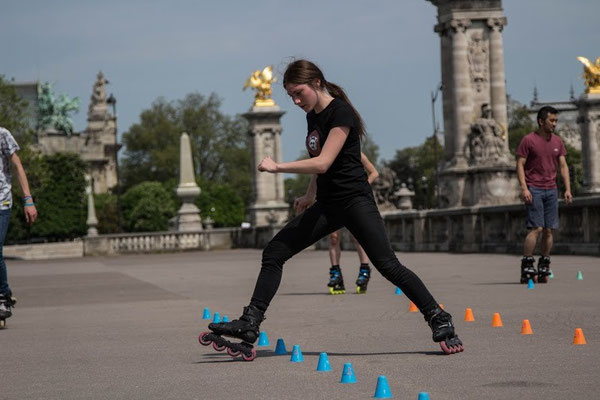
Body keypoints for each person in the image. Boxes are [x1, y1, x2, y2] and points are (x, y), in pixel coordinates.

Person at [199, 60, 463, 359]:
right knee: (274, 253)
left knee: (388, 265)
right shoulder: (314, 117)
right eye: (291, 97)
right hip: (327, 205)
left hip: (355, 202)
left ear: (316, 83)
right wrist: (309, 196)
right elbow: (319, 165)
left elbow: (323, 161)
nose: (296, 102)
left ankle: (438, 317)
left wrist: (277, 167)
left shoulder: (341, 112)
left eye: (299, 93)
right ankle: (250, 323)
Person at [516, 106, 572, 284]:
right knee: (536, 228)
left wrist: (567, 189)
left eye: (556, 121)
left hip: (551, 188)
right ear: (541, 121)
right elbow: (520, 165)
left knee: (549, 230)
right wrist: (524, 188)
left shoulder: (557, 142)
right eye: (552, 120)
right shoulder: (528, 140)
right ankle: (527, 262)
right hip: (534, 188)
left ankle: (544, 262)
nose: (555, 124)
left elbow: (563, 166)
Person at [318, 153, 378, 294]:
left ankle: (364, 269)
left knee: (357, 236)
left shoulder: (355, 150)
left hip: (353, 201)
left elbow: (374, 172)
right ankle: (336, 273)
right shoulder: (326, 152)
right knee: (333, 238)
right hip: (333, 200)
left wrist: (361, 187)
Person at [0, 127, 38, 327]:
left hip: (1, 202)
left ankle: (3, 295)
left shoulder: (2, 134)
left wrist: (28, 200)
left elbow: (17, 166)